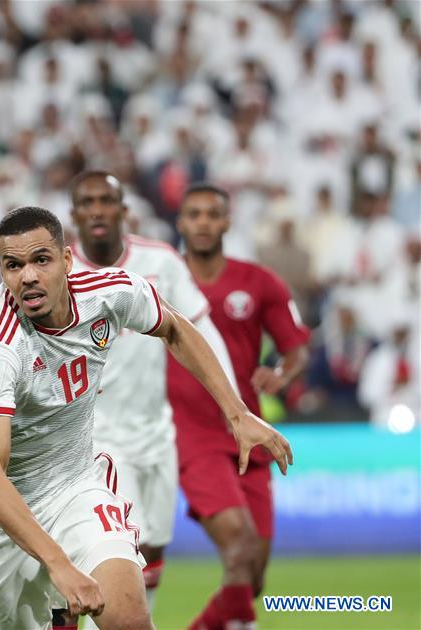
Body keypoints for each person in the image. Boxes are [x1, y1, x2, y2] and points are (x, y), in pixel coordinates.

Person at [0, 206, 293, 629]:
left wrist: (237, 412)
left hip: (74, 487)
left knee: (130, 620)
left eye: (40, 260)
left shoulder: (109, 293)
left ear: (67, 260)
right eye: (13, 265)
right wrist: (59, 564)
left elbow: (174, 327)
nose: (27, 276)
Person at [67, 171, 237, 613]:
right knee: (125, 543)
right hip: (98, 436)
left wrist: (233, 406)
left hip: (156, 432)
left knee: (156, 546)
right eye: (88, 203)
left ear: (124, 210)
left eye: (107, 200)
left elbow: (202, 329)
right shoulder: (59, 272)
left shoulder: (160, 262)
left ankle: (143, 619)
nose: (98, 210)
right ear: (74, 215)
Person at [169, 183, 310, 630]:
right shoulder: (161, 283)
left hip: (250, 430)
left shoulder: (260, 282)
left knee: (253, 578)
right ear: (181, 222)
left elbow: (296, 349)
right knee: (240, 549)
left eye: (213, 214)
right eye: (195, 214)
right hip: (191, 435)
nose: (204, 222)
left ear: (227, 222)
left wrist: (282, 374)